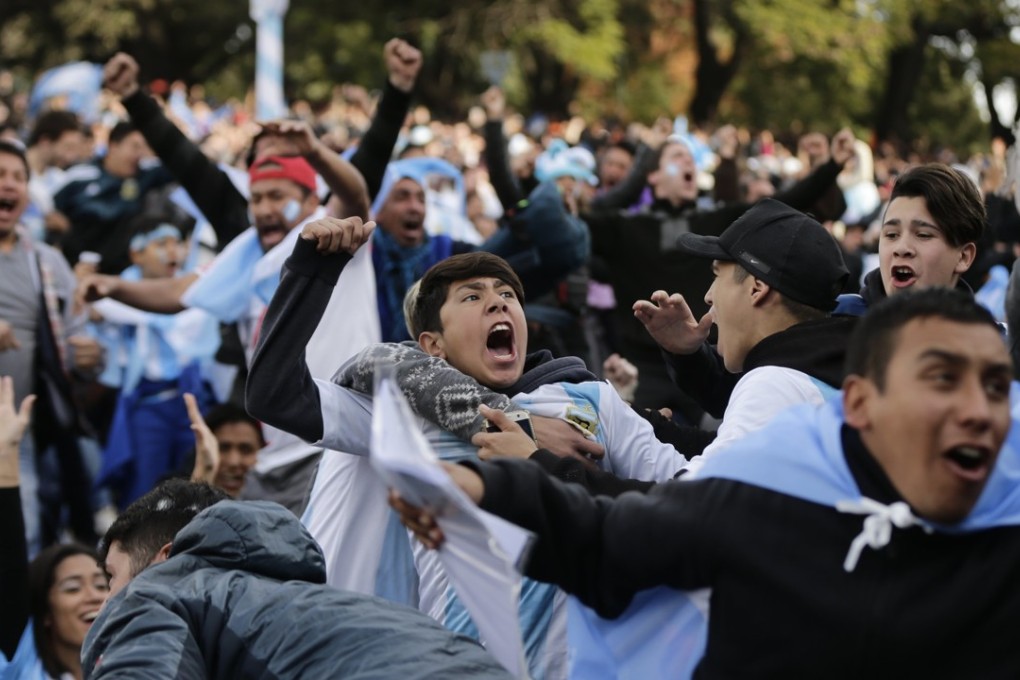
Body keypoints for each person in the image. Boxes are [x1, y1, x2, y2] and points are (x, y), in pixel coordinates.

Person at [397, 288, 1020, 676]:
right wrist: (489, 489)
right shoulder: (778, 502)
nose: (975, 409)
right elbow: (615, 533)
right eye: (941, 380)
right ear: (860, 403)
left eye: (996, 387)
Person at [246, 222, 683, 679]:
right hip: (462, 664)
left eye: (506, 295)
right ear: (432, 346)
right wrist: (311, 274)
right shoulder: (400, 413)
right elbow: (274, 395)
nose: (498, 301)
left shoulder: (591, 400)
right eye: (472, 297)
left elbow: (688, 492)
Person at [80, 149, 370, 513]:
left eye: (277, 197)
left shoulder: (335, 237)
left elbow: (356, 195)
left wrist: (312, 149)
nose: (264, 209)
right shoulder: (245, 258)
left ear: (312, 200)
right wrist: (113, 287)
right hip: (273, 455)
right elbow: (180, 291)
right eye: (256, 198)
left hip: (337, 444)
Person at [649, 162, 988, 419]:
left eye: (923, 235)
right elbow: (744, 397)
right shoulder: (837, 316)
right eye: (891, 234)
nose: (902, 248)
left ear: (964, 256)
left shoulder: (988, 351)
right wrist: (688, 356)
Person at [82, 479, 511, 679]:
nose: (107, 603)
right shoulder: (300, 613)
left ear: (165, 559)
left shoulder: (156, 591)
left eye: (111, 578)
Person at [0, 140, 103, 554]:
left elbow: (80, 336)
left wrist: (93, 357)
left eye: (17, 177)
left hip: (23, 429)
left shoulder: (47, 262)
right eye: (0, 175)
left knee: (23, 534)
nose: (8, 184)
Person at [1, 376, 109, 680]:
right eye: (72, 588)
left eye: (102, 585)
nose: (93, 596)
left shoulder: (133, 667)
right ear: (46, 613)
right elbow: (9, 569)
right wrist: (6, 459)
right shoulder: (22, 667)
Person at [53, 121, 178, 275]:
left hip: (119, 277)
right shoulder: (80, 175)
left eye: (144, 147)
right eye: (135, 146)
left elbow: (182, 164)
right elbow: (47, 211)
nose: (140, 154)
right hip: (72, 269)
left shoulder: (145, 174)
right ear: (113, 146)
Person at [186, 394, 264, 498]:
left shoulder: (282, 503)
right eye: (223, 448)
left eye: (246, 450)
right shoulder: (171, 497)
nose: (233, 462)